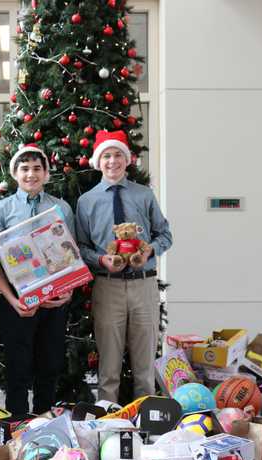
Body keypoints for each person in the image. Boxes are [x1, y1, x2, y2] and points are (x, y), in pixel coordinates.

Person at [75, 130, 173, 402]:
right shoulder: (87, 202)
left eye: (118, 154)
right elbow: (80, 247)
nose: (112, 161)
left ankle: (147, 423)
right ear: (98, 161)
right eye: (106, 155)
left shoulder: (144, 195)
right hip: (108, 288)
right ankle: (108, 423)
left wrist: (150, 250)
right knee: (109, 367)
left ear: (127, 159)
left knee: (144, 367)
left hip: (144, 285)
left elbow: (165, 235)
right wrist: (101, 259)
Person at [0, 144, 73, 415]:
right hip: (15, 299)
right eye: (25, 169)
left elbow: (71, 253)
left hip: (56, 299)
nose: (31, 174)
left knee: (50, 365)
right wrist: (12, 299)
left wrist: (66, 293)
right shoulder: (0, 211)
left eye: (37, 168)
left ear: (46, 173)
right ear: (14, 174)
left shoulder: (62, 208)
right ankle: (17, 426)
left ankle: (46, 423)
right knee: (17, 367)